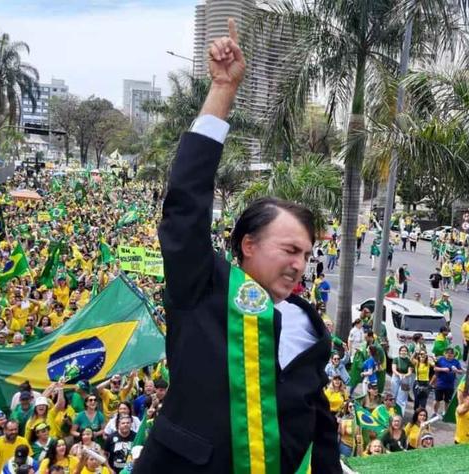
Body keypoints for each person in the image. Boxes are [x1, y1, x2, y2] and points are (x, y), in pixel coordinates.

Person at [133, 19, 340, 473]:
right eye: (289, 249)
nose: (299, 264)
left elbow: (316, 421)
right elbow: (185, 206)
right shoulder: (202, 287)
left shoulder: (308, 325)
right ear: (247, 244)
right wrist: (223, 90)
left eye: (306, 255)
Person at [433, 348, 462, 416]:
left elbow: (461, 371)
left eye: (451, 354)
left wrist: (456, 370)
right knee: (437, 400)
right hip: (440, 384)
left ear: (453, 355)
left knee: (447, 400)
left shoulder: (456, 362)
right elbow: (435, 368)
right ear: (445, 354)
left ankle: (445, 413)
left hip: (450, 385)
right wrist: (443, 369)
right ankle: (435, 412)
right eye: (448, 354)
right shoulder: (441, 360)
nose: (449, 355)